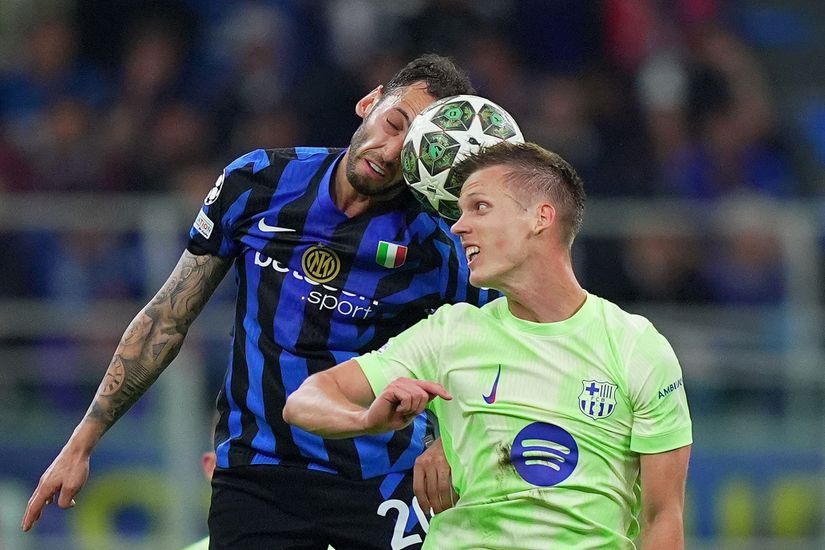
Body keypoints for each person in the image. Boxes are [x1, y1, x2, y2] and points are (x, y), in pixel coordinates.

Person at [22, 54, 498, 549]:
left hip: (382, 483)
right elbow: (167, 317)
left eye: (415, 148)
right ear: (369, 102)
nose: (391, 150)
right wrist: (82, 443)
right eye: (394, 123)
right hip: (257, 475)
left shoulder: (439, 242)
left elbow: (490, 348)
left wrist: (448, 444)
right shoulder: (258, 182)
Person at [284, 142, 693, 549]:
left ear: (540, 218)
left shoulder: (636, 347)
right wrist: (365, 421)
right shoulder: (449, 333)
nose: (459, 226)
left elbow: (663, 517)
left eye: (479, 207)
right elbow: (304, 400)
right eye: (460, 212)